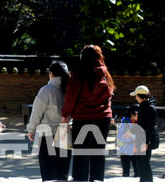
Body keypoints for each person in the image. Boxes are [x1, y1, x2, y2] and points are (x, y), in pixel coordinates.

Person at [62, 45, 114, 182]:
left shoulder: (78, 75)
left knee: (81, 153)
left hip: (84, 117)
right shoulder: (104, 74)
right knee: (98, 152)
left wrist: (65, 115)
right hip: (104, 118)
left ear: (82, 57)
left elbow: (70, 98)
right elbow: (109, 95)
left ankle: (80, 180)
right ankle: (97, 179)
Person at [27, 61, 71, 181]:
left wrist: (31, 129)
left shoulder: (46, 90)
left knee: (48, 173)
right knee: (62, 172)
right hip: (64, 134)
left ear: (51, 74)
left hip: (48, 135)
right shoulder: (70, 90)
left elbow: (36, 113)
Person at [131, 85, 159, 182]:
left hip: (147, 139)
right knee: (140, 161)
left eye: (136, 96)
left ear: (141, 96)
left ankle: (148, 180)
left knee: (145, 161)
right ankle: (143, 180)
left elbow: (150, 127)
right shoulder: (143, 106)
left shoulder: (150, 108)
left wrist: (146, 142)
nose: (135, 98)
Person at [117, 104, 140, 178]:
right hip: (125, 150)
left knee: (138, 173)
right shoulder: (124, 123)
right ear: (132, 114)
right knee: (125, 173)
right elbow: (120, 138)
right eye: (137, 114)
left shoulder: (140, 123)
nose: (139, 116)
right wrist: (132, 138)